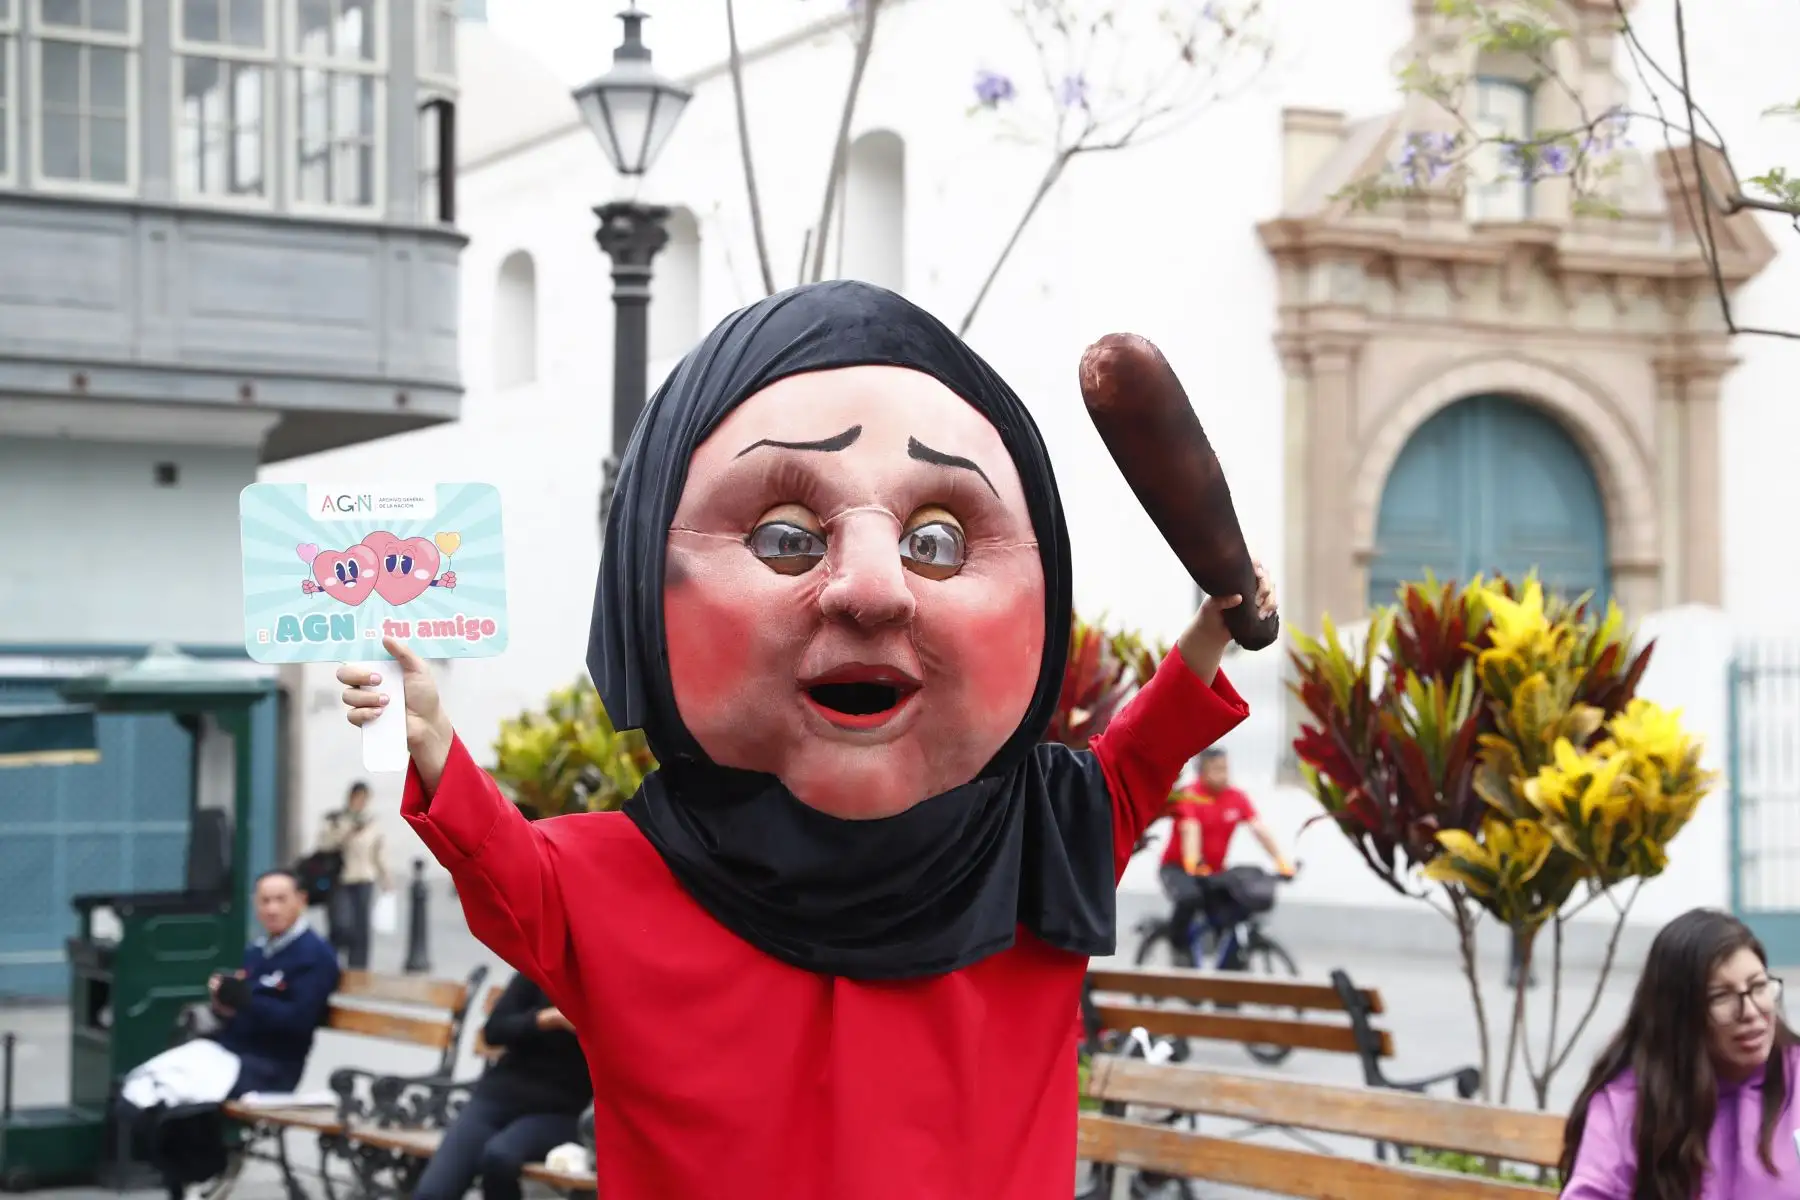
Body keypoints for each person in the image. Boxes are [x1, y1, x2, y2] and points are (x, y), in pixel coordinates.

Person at [337, 280, 1277, 1199]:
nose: (871, 589)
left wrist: (1213, 622)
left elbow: (1138, 757)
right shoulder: (614, 881)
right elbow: (504, 869)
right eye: (785, 538)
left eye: (938, 542)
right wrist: (430, 745)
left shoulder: (1037, 839)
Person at [116, 870, 340, 1195]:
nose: (272, 909)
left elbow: (298, 1021)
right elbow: (242, 1008)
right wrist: (224, 1002)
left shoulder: (314, 956)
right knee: (142, 1088)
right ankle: (184, 1176)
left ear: (301, 902)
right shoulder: (258, 950)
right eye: (265, 900)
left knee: (177, 1103)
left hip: (270, 1068)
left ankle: (200, 1170)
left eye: (281, 899)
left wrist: (247, 1001)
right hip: (229, 1051)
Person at [1560, 908, 1798, 1199]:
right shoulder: (1629, 1102)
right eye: (1721, 996)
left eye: (1758, 986)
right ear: (1678, 1014)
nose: (1750, 1012)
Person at [413, 971, 593, 1200]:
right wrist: (547, 1019)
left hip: (561, 1112)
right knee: (432, 1193)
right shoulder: (540, 967)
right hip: (498, 1098)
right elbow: (494, 1030)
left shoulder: (619, 983)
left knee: (500, 1157)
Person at [1156, 748, 1293, 965]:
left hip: (1212, 872)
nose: (1224, 774)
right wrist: (1192, 862)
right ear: (1202, 771)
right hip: (1178, 868)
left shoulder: (1235, 797)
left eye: (1226, 768)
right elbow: (1190, 829)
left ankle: (1227, 970)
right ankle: (1178, 948)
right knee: (1189, 898)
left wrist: (1281, 861)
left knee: (1233, 908)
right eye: (1217, 769)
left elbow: (1258, 829)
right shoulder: (1191, 795)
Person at [315, 781, 391, 970]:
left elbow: (378, 852)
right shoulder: (335, 819)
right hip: (340, 879)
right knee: (341, 924)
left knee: (361, 928)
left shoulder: (372, 823)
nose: (361, 802)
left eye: (365, 799)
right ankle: (330, 963)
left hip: (364, 878)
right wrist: (347, 831)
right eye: (358, 798)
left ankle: (358, 969)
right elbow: (324, 846)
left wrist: (386, 877)